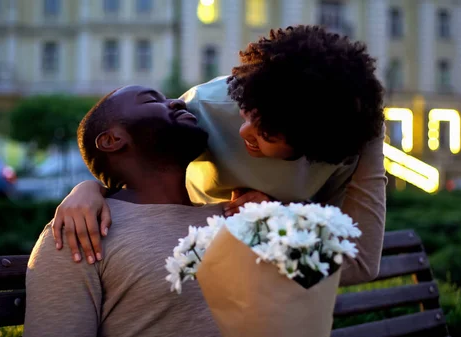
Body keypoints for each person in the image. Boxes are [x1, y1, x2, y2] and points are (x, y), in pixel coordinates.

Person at [52, 25, 387, 286]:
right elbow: (136, 165)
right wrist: (90, 188)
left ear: (314, 148)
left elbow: (356, 261)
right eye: (246, 113)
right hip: (193, 267)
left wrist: (275, 220)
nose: (244, 132)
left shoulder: (345, 147)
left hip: (250, 283)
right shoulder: (202, 109)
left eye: (265, 135)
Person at [24, 86, 221, 337]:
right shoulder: (82, 230)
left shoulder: (240, 214)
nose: (177, 102)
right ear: (112, 140)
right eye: (151, 100)